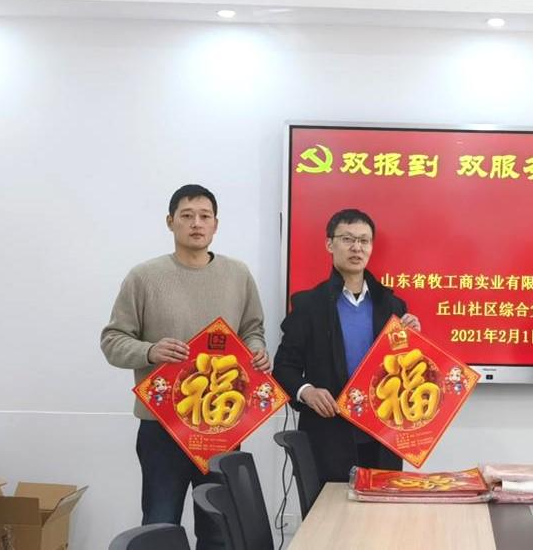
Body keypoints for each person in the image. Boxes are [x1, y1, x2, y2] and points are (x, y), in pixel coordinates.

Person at [100, 184, 269, 550]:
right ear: (170, 222)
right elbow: (112, 340)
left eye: (205, 216)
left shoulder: (238, 275)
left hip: (221, 423)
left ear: (216, 224)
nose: (196, 223)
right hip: (162, 425)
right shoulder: (144, 277)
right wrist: (150, 351)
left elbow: (252, 330)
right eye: (187, 216)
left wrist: (256, 350)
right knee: (160, 524)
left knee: (219, 529)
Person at [273, 208, 422, 482]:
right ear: (329, 244)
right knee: (329, 508)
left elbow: (407, 373)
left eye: (364, 241)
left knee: (382, 507)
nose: (357, 247)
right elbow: (283, 368)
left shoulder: (392, 306)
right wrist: (307, 392)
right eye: (348, 239)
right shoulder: (308, 305)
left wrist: (414, 342)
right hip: (327, 433)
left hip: (383, 436)